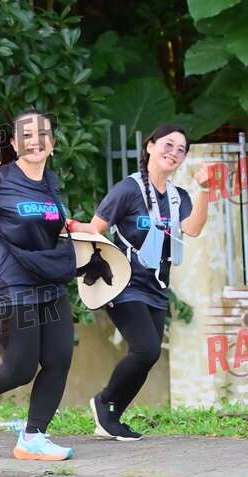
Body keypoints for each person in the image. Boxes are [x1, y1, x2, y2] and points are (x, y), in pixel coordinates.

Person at [0, 109, 96, 461]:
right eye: (26, 135)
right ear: (14, 144)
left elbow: (45, 221)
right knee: (19, 368)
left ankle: (33, 438)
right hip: (9, 284)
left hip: (48, 281)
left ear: (52, 143)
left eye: (42, 134)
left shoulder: (50, 182)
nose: (34, 141)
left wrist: (79, 227)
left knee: (58, 360)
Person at [89, 123, 209, 440]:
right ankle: (103, 402)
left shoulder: (178, 197)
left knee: (149, 355)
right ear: (150, 146)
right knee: (145, 349)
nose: (174, 152)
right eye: (168, 144)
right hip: (123, 283)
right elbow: (93, 231)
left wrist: (204, 191)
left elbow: (193, 229)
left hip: (156, 286)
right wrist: (100, 282)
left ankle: (111, 416)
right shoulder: (127, 190)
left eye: (181, 149)